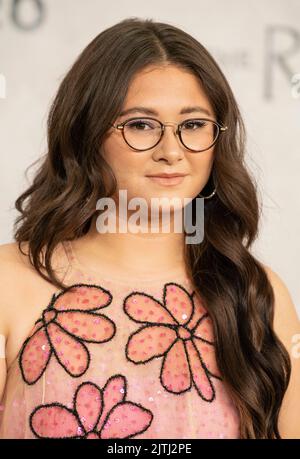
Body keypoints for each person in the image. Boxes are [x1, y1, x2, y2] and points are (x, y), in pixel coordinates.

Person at [0, 17, 299, 440]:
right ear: (86, 133)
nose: (172, 151)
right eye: (141, 125)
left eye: (193, 125)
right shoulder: (9, 281)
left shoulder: (255, 292)